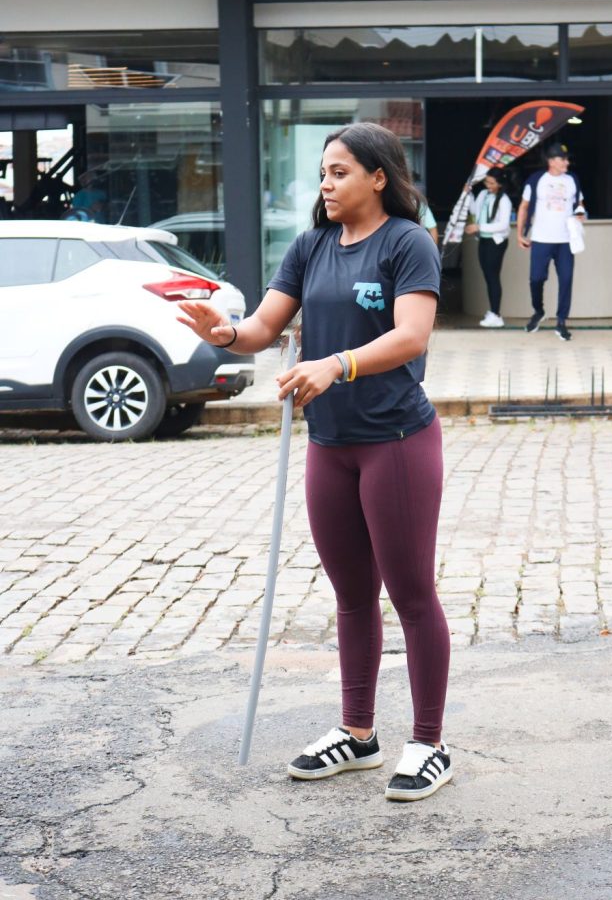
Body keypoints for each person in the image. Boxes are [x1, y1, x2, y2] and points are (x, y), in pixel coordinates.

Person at [178, 123, 452, 803]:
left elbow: (411, 335)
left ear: (378, 177)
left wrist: (337, 364)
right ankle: (358, 734)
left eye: (339, 172)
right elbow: (261, 328)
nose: (325, 185)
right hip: (329, 447)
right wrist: (224, 332)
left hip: (396, 442)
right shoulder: (311, 246)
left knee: (411, 595)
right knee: (351, 596)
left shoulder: (407, 243)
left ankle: (429, 743)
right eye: (324, 173)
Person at [516, 143, 586, 342]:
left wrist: (580, 213)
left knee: (566, 279)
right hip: (541, 239)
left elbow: (579, 203)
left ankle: (561, 321)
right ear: (551, 161)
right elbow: (523, 207)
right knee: (536, 278)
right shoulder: (536, 180)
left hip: (565, 240)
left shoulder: (572, 180)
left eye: (566, 159)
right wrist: (520, 234)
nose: (566, 162)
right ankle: (538, 311)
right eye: (563, 159)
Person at [463, 169, 512, 328]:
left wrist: (479, 226)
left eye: (492, 183)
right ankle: (493, 312)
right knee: (488, 276)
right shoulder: (484, 194)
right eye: (486, 182)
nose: (488, 185)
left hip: (496, 242)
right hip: (483, 240)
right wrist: (468, 194)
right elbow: (474, 210)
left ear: (500, 183)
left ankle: (496, 314)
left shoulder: (504, 200)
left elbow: (503, 225)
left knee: (492, 277)